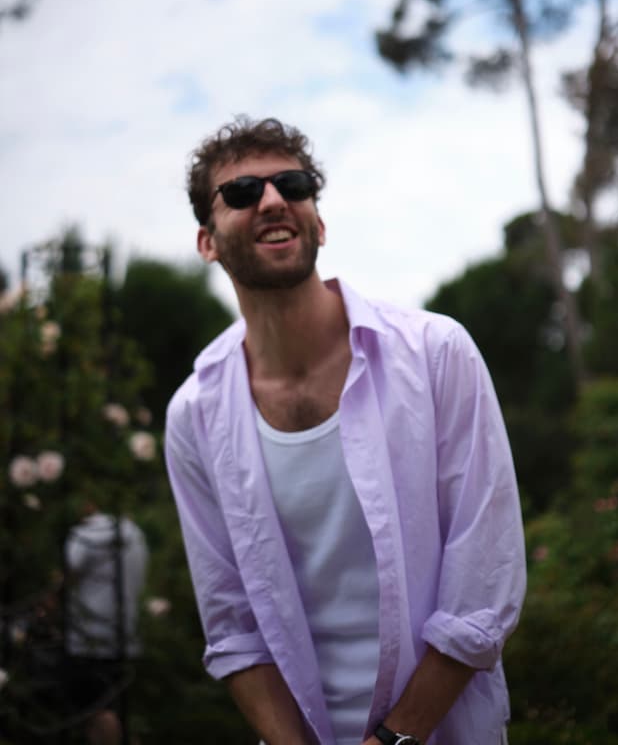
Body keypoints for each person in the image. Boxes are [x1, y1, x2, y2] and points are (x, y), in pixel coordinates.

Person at [165, 116, 527, 745]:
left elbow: (483, 586)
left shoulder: (436, 354)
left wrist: (393, 739)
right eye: (244, 192)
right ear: (207, 242)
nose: (274, 199)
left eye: (293, 184)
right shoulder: (194, 414)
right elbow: (232, 625)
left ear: (318, 221)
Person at [64, 499, 148, 745]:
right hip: (125, 634)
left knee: (96, 711)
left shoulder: (84, 534)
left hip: (87, 638)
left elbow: (67, 575)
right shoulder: (133, 532)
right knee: (120, 710)